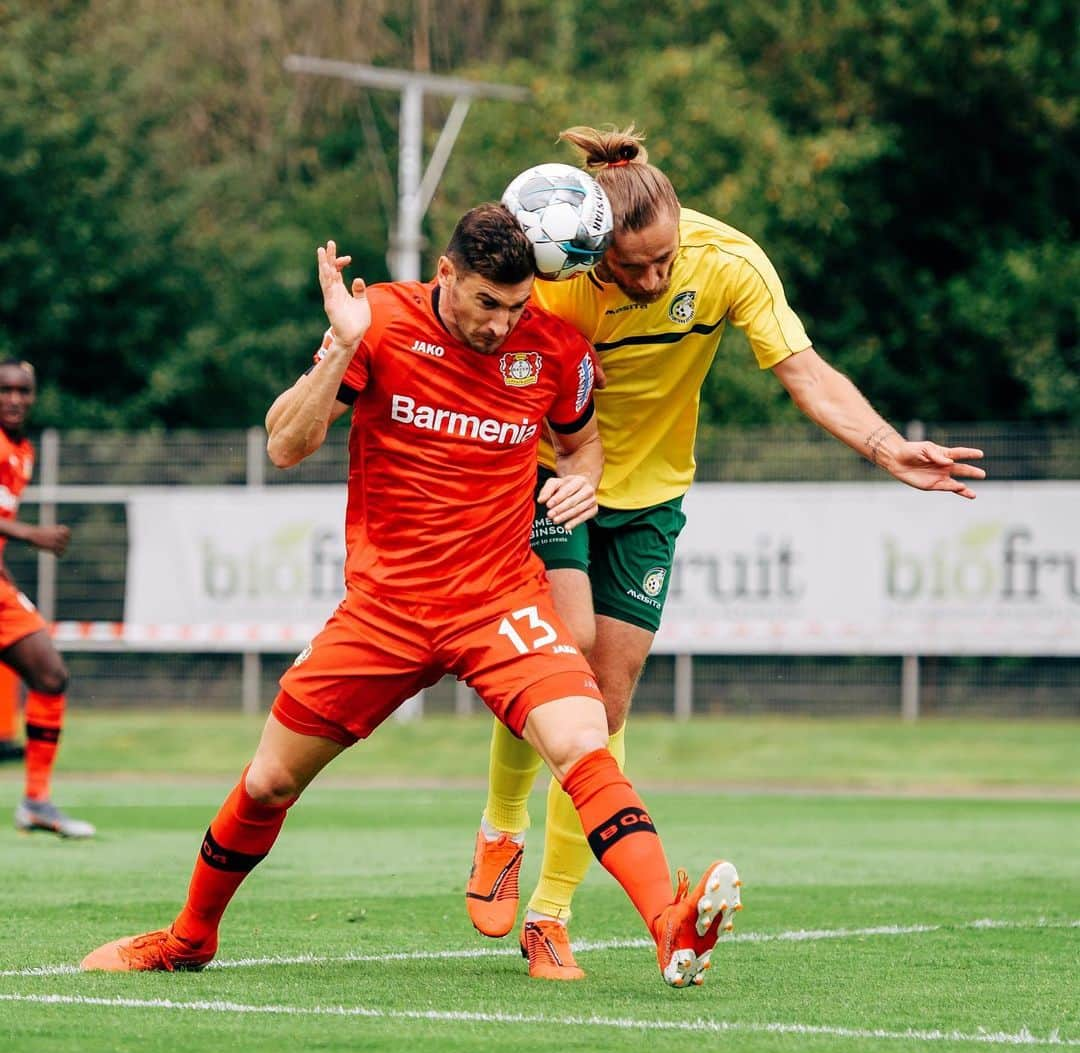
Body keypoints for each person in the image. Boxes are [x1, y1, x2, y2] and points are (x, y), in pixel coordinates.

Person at [80, 204, 742, 989]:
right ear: (447, 275)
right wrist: (341, 348)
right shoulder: (380, 323)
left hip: (499, 599)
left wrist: (581, 482)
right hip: (385, 609)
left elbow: (583, 441)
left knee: (584, 738)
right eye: (486, 304)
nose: (502, 325)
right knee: (268, 782)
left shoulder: (556, 348)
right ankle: (190, 937)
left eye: (518, 306)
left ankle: (667, 922)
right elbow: (286, 444)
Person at [467, 124, 986, 980]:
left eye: (663, 260)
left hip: (654, 494)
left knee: (607, 701)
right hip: (554, 475)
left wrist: (886, 444)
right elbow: (472, 341)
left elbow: (805, 371)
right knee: (562, 660)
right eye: (629, 268)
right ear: (592, 253)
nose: (651, 278)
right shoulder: (556, 287)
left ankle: (549, 915)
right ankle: (501, 830)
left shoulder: (728, 260)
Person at [0, 357, 95, 838]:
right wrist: (29, 534)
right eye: (5, 390)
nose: (15, 399)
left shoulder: (23, 451)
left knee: (50, 674)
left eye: (24, 390)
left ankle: (36, 800)